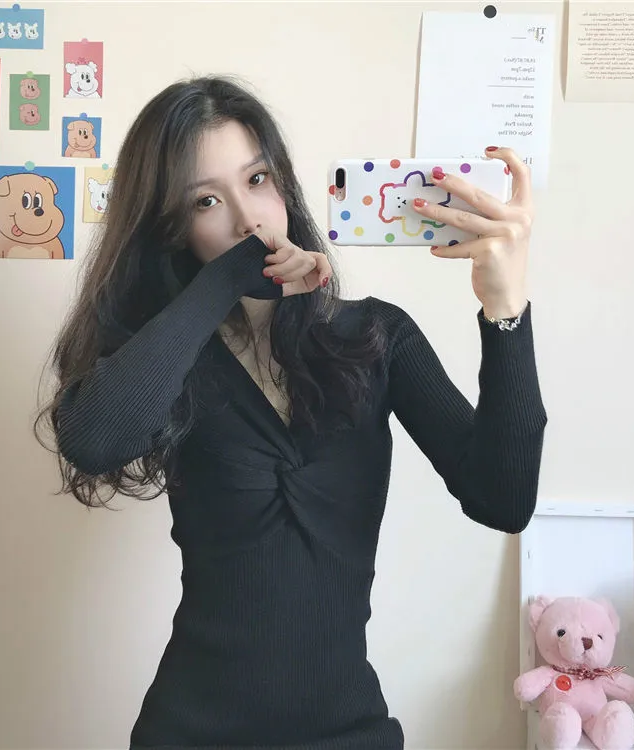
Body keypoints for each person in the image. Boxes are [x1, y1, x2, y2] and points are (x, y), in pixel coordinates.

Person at [35, 75, 547, 749]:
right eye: (205, 201)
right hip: (191, 732)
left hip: (348, 729)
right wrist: (228, 276)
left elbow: (503, 499)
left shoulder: (376, 337)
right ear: (171, 228)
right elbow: (93, 439)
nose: (249, 220)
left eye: (257, 180)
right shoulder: (169, 356)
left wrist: (505, 307)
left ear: (283, 183)